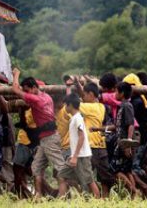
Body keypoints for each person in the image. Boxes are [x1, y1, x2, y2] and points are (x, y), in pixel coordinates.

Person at [11, 68, 66, 199]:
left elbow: (15, 90)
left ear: (34, 87)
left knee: (60, 167)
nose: (26, 93)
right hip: (45, 138)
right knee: (36, 167)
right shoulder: (46, 96)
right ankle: (38, 195)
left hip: (50, 138)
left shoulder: (37, 100)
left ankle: (64, 195)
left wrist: (16, 75)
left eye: (27, 90)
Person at [59, 94, 101, 198]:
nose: (65, 108)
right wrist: (73, 155)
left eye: (66, 105)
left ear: (70, 105)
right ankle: (61, 201)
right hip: (77, 155)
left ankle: (99, 202)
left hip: (82, 156)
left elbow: (81, 137)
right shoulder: (74, 118)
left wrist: (75, 156)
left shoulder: (77, 118)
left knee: (89, 180)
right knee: (62, 176)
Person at [81, 82, 113, 195]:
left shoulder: (88, 107)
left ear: (90, 94)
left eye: (84, 95)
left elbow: (72, 104)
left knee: (86, 175)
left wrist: (70, 88)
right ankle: (104, 197)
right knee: (103, 174)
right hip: (101, 145)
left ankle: (95, 196)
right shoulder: (101, 106)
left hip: (91, 146)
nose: (83, 98)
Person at [110, 81, 138, 195]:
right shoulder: (123, 105)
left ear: (122, 93)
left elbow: (131, 124)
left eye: (116, 91)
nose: (115, 93)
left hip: (123, 143)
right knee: (126, 170)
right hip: (121, 142)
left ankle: (133, 190)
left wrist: (128, 144)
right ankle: (134, 194)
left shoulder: (127, 106)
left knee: (115, 170)